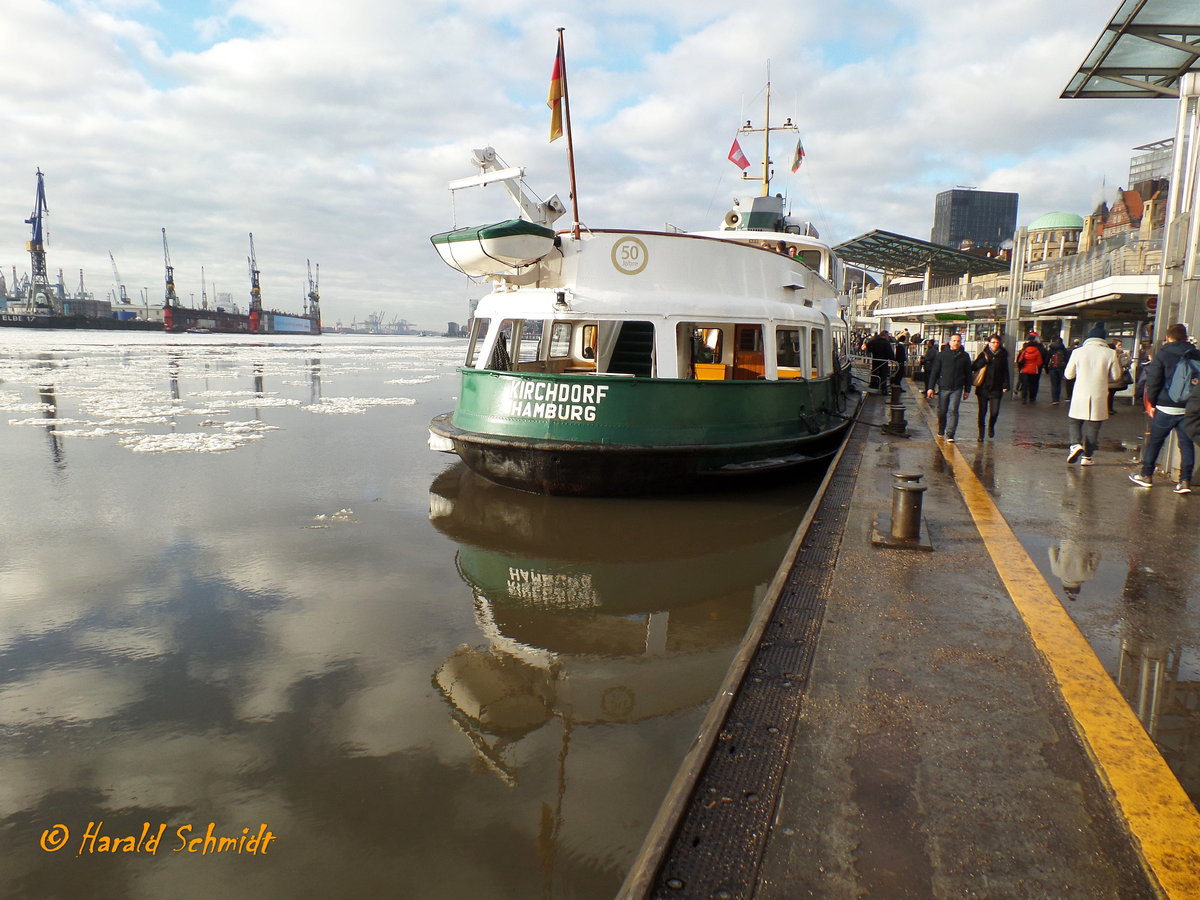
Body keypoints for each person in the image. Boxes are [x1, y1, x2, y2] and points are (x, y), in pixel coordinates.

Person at [1128, 323, 1200, 494]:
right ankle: (1185, 481)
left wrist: (1152, 403)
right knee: (1186, 444)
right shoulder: (1196, 354)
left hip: (1165, 406)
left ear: (1168, 337)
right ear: (1185, 337)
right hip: (1189, 408)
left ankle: (1146, 475)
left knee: (1155, 442)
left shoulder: (1163, 354)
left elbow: (1153, 381)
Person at [1064, 323, 1123, 467]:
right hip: (1099, 394)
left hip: (1080, 393)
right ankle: (1087, 457)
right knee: (1093, 425)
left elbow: (1068, 375)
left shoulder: (1078, 352)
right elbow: (1116, 376)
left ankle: (1075, 444)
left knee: (1075, 421)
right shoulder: (1110, 353)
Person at [925, 332, 972, 442]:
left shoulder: (964, 356)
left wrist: (967, 390)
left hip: (957, 387)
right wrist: (930, 387)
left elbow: (968, 373)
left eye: (958, 341)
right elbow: (935, 371)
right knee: (942, 411)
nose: (956, 343)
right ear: (950, 342)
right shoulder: (942, 355)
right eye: (954, 340)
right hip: (944, 386)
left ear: (961, 343)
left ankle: (950, 433)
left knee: (953, 410)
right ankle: (941, 428)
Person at [971, 334, 1010, 440]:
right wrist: (983, 361)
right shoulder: (984, 354)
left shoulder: (1003, 356)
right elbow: (973, 367)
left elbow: (1005, 371)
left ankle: (991, 426)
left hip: (996, 388)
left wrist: (1006, 384)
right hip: (983, 388)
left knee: (995, 411)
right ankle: (981, 433)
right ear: (989, 343)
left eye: (997, 342)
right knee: (982, 412)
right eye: (993, 342)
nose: (995, 344)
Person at [1016, 338, 1044, 403]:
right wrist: (1035, 366)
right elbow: (1039, 362)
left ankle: (1024, 398)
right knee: (1033, 384)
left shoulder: (1024, 351)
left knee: (1025, 384)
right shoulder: (1037, 352)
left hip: (1024, 370)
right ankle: (1032, 398)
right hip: (1034, 370)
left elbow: (1020, 360)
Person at [1045, 336, 1068, 405]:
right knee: (1059, 383)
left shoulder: (1051, 349)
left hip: (1053, 368)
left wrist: (1047, 368)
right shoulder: (1064, 350)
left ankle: (1054, 399)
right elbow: (1067, 359)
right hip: (1061, 368)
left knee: (1054, 384)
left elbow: (1047, 360)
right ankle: (1057, 398)